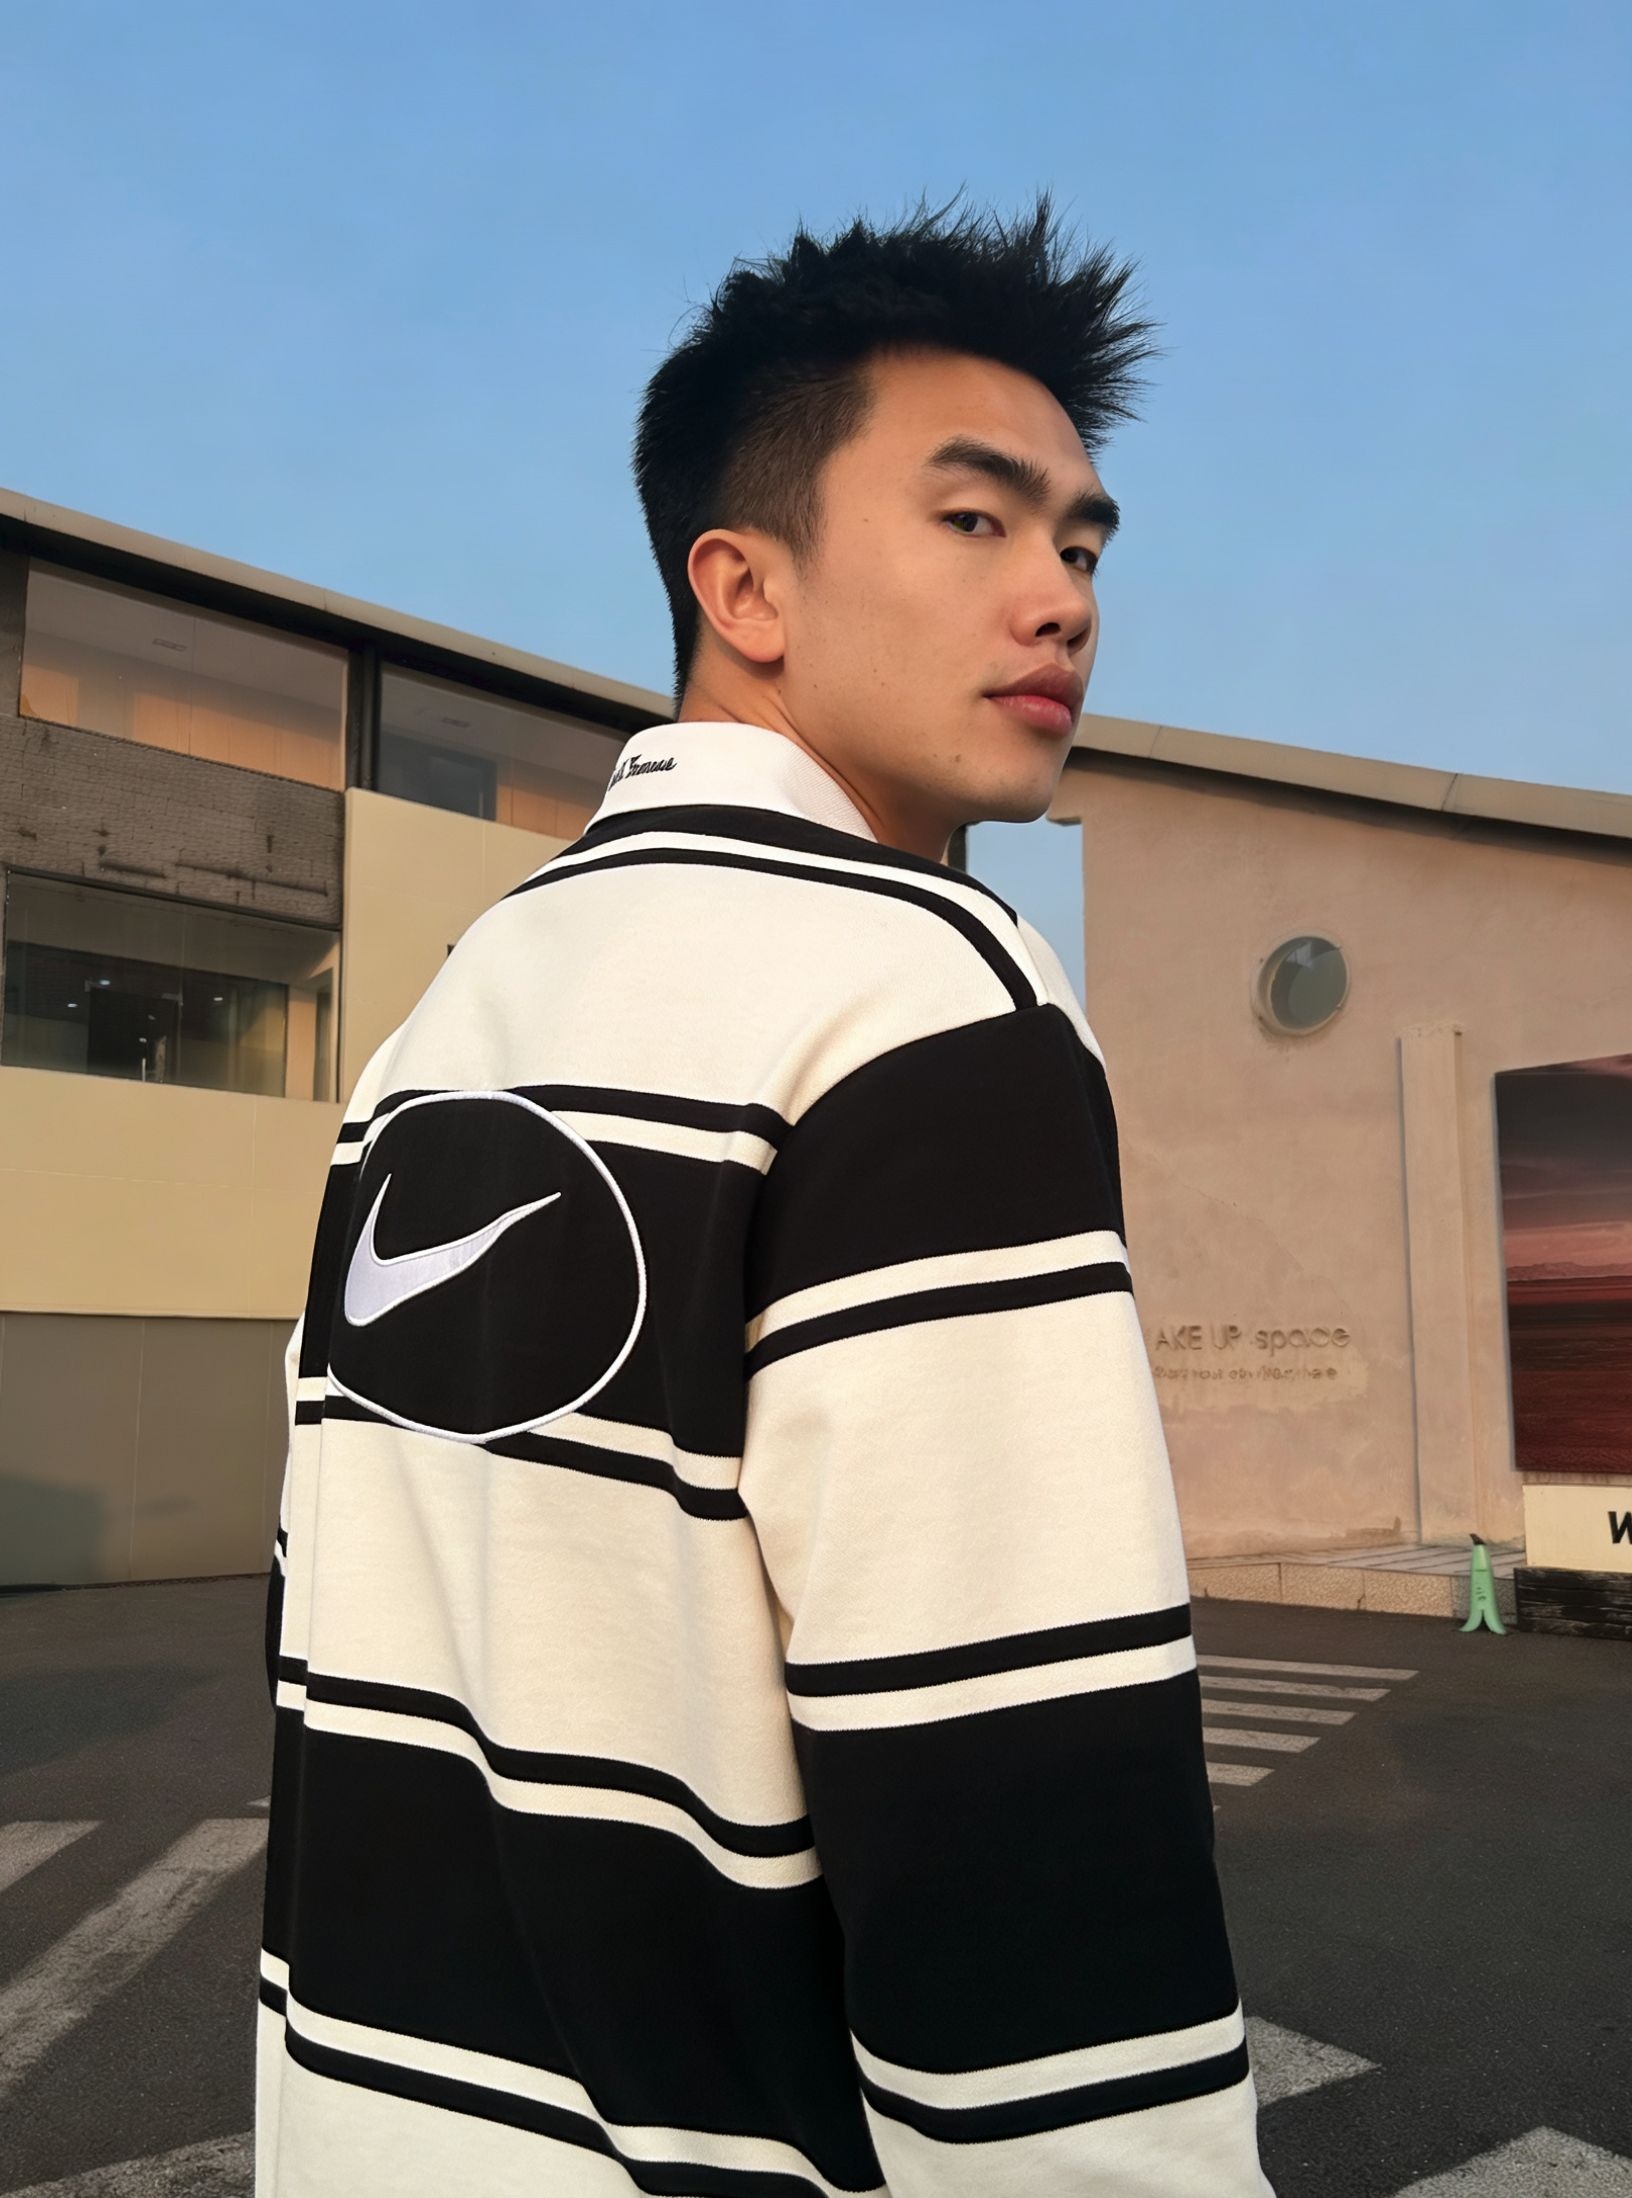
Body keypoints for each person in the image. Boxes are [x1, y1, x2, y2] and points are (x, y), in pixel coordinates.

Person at [257, 191, 1274, 2197]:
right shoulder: (918, 994)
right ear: (744, 585)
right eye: (974, 520)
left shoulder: (449, 1017)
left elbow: (352, 1642)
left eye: (1081, 546)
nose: (1060, 599)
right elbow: (1017, 1804)